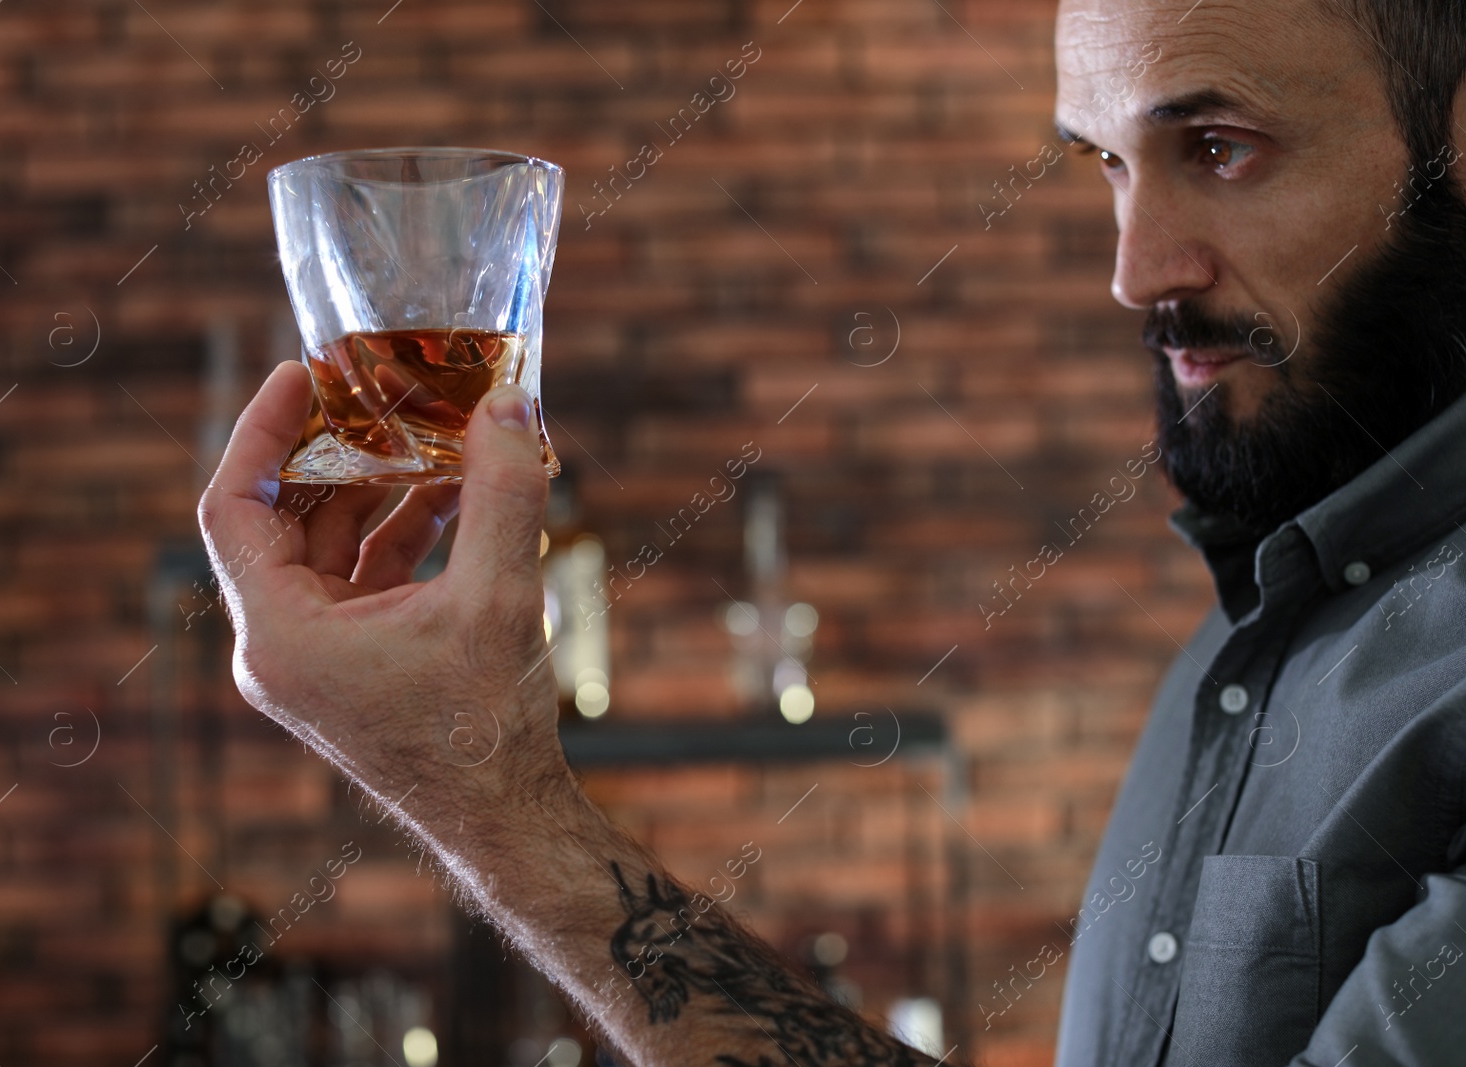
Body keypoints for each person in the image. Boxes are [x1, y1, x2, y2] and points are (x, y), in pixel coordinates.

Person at [197, 0, 1466, 1062]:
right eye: (1108, 163)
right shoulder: (1263, 613)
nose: (1134, 270)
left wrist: (486, 796)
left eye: (1222, 148)